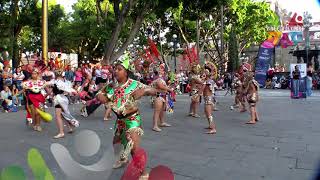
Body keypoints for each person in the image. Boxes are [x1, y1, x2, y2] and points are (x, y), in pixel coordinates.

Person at [96, 53, 162, 179]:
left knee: (133, 148)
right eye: (115, 68)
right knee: (116, 144)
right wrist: (103, 98)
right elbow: (99, 93)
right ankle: (122, 160)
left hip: (132, 120)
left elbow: (154, 91)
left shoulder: (134, 84)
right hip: (120, 121)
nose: (116, 71)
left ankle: (143, 173)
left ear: (126, 72)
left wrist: (144, 91)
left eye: (119, 69)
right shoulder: (112, 86)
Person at [151, 64, 173, 132]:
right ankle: (155, 125)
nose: (162, 71)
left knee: (162, 110)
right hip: (158, 96)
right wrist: (169, 89)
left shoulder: (162, 78)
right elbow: (160, 86)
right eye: (160, 70)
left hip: (163, 96)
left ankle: (162, 122)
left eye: (162, 70)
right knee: (157, 111)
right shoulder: (157, 78)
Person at [203, 62, 217, 134]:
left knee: (209, 114)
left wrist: (197, 95)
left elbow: (202, 89)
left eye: (205, 72)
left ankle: (213, 128)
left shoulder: (208, 81)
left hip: (208, 99)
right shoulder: (209, 81)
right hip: (208, 98)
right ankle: (210, 125)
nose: (204, 73)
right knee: (207, 113)